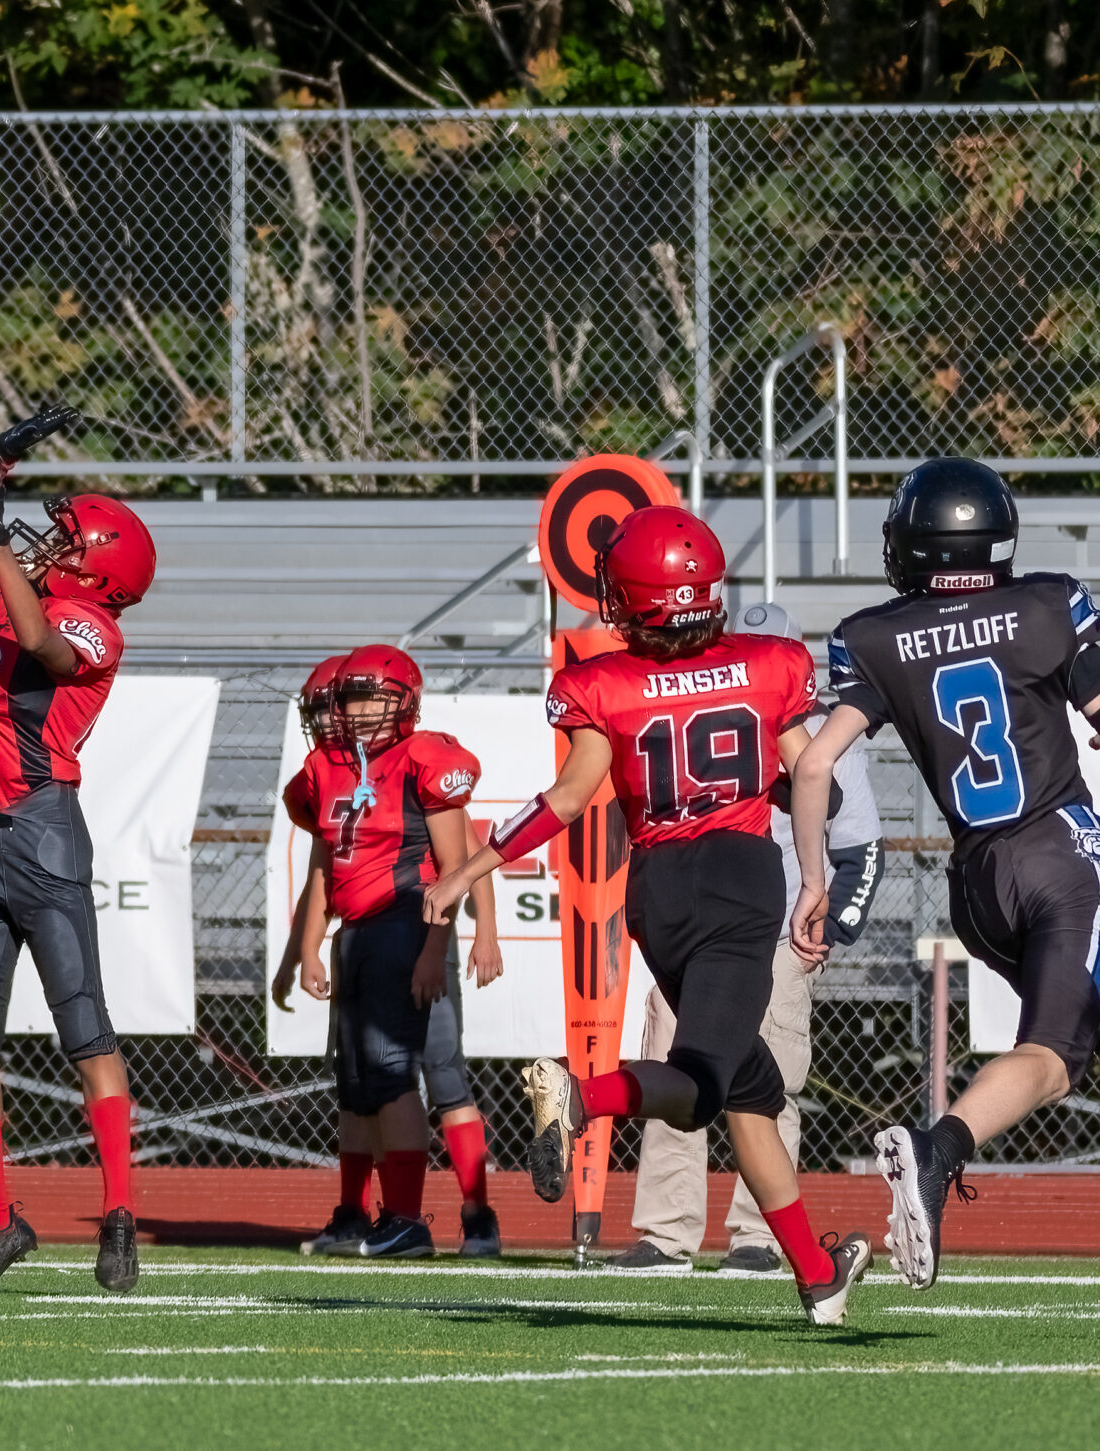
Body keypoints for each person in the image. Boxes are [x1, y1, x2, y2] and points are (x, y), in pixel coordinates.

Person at [793, 457, 1100, 1306]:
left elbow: (812, 765)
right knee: (1055, 1059)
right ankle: (938, 1151)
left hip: (980, 883)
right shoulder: (1044, 606)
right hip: (1063, 859)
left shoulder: (876, 637)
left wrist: (814, 880)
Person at [426, 505, 873, 1326]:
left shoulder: (605, 682)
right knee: (701, 1086)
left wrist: (469, 869)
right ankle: (581, 1096)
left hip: (658, 889)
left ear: (633, 597)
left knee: (750, 1088)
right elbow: (815, 778)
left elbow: (566, 799)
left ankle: (818, 1276)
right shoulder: (771, 662)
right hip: (739, 880)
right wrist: (813, 866)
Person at [0, 414, 154, 1297]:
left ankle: (120, 1209)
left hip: (42, 832)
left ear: (95, 568)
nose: (46, 543)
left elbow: (40, 644)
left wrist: (1, 545)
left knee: (83, 1027)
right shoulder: (10, 587)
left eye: (65, 539)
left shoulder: (94, 625)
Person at [607, 600, 881, 1276]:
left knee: (769, 1084)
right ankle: (667, 1233)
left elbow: (862, 845)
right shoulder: (683, 706)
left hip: (779, 930)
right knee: (677, 1066)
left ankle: (757, 1234)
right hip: (699, 928)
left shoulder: (823, 735)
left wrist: (831, 926)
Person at [281, 646, 503, 1261]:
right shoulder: (326, 769)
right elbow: (325, 866)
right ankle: (367, 1214)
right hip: (359, 933)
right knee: (359, 1084)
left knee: (425, 1075)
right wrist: (306, 949)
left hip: (409, 925)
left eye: (369, 698)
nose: (353, 713)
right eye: (346, 700)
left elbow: (460, 861)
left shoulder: (424, 758)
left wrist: (459, 940)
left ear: (404, 701)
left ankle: (451, 1216)